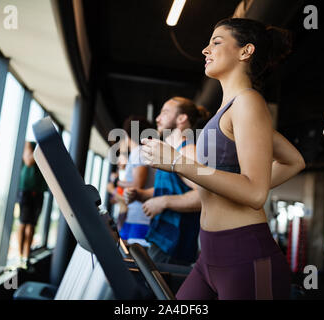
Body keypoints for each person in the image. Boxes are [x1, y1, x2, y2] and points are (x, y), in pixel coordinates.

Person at [140, 18, 306, 299]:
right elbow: (294, 161)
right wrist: (237, 189)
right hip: (209, 256)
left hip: (246, 256)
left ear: (245, 51)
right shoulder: (227, 111)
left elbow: (255, 192)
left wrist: (178, 163)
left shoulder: (248, 102)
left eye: (216, 42)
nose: (206, 50)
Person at [125, 97, 209, 266]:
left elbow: (205, 195)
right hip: (163, 239)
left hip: (174, 245)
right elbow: (173, 189)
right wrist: (140, 194)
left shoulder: (188, 152)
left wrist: (163, 201)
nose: (157, 118)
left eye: (164, 112)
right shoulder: (171, 152)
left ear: (181, 118)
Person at [116, 116, 156, 247]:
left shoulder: (138, 152)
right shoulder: (139, 153)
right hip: (135, 216)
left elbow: (138, 185)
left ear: (126, 134)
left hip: (141, 218)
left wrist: (118, 181)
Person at [17, 141, 47, 269]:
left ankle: (26, 256)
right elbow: (28, 161)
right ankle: (20, 256)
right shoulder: (30, 144)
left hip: (39, 190)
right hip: (26, 190)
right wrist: (43, 150)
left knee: (32, 225)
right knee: (23, 223)